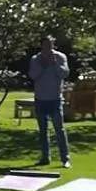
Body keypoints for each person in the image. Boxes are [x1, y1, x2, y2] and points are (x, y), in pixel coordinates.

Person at [27, 35, 71, 168]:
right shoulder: (35, 59)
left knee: (59, 129)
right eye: (46, 45)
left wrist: (55, 63)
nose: (48, 48)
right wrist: (43, 66)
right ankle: (45, 157)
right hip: (40, 98)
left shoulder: (61, 57)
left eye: (50, 45)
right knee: (43, 131)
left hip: (55, 98)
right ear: (41, 45)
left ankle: (65, 159)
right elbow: (33, 75)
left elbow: (65, 74)